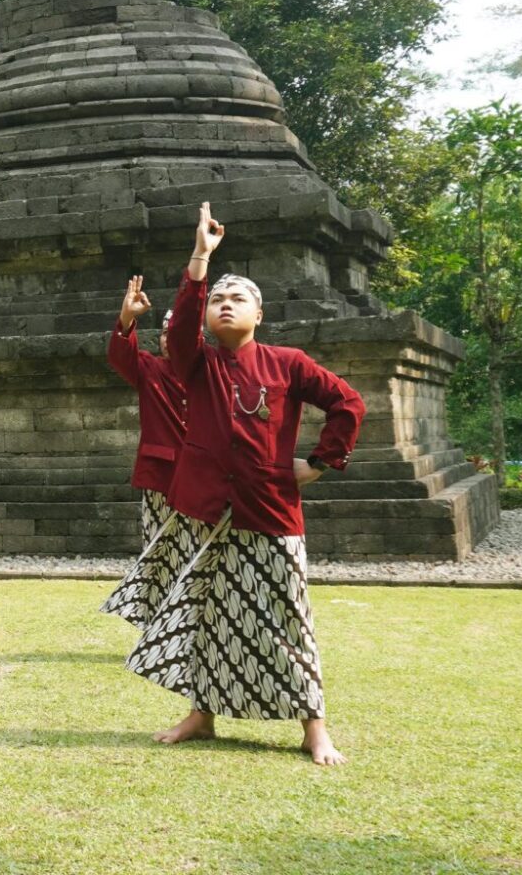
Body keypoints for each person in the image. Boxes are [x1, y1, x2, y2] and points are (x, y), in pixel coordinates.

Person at [128, 203, 365, 767]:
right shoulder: (195, 363)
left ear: (259, 314)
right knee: (208, 614)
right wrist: (200, 261)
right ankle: (201, 715)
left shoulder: (288, 363)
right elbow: (181, 331)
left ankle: (315, 727)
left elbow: (347, 403)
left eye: (238, 299)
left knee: (289, 615)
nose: (224, 304)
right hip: (206, 510)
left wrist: (320, 463)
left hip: (270, 509)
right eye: (217, 300)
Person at [101, 275, 195, 627]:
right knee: (158, 551)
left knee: (198, 551)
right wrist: (127, 319)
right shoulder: (150, 367)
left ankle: (192, 624)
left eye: (181, 333)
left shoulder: (211, 372)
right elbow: (120, 353)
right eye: (168, 334)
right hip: (161, 479)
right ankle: (156, 622)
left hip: (202, 479)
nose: (173, 340)